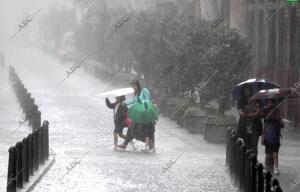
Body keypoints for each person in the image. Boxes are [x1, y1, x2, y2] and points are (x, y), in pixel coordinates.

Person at [118, 79, 159, 151]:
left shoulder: (144, 91)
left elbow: (147, 100)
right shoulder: (136, 93)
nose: (133, 88)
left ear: (137, 85)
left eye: (134, 86)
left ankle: (150, 145)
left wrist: (141, 102)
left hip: (145, 112)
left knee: (146, 130)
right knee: (131, 127)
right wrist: (126, 103)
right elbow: (134, 101)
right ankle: (125, 144)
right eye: (132, 87)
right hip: (139, 113)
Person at [262, 99, 284, 175]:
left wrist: (277, 118)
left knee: (275, 154)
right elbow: (264, 128)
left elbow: (282, 125)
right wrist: (263, 137)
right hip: (268, 138)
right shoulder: (267, 119)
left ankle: (276, 168)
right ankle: (266, 166)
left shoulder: (277, 120)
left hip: (275, 139)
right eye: (268, 102)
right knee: (267, 154)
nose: (270, 103)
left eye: (271, 102)